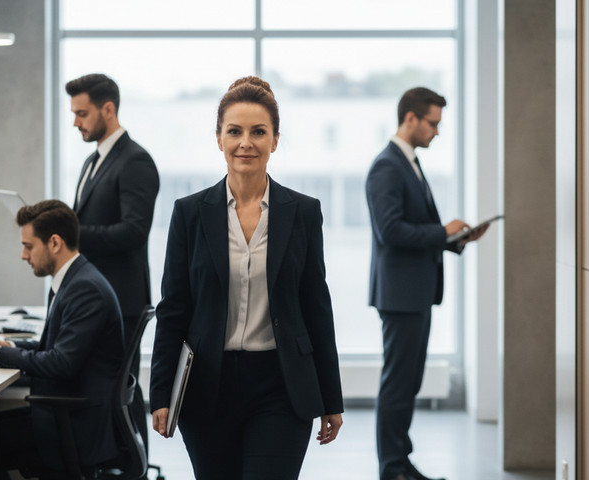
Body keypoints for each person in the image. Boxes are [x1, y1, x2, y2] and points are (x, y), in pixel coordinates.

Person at [149, 76, 344, 480]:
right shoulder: (189, 213)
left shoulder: (303, 212)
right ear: (218, 138)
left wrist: (330, 396)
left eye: (259, 132)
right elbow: (174, 309)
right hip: (207, 387)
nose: (246, 143)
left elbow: (316, 306)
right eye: (234, 131)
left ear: (275, 140)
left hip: (282, 385)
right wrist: (160, 395)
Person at [366, 87, 488, 480]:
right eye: (433, 123)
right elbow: (390, 231)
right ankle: (392, 469)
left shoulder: (409, 164)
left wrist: (453, 239)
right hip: (401, 296)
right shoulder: (388, 166)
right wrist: (441, 231)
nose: (437, 131)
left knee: (408, 381)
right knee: (398, 384)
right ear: (410, 119)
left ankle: (401, 463)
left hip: (414, 293)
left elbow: (409, 229)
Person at [0, 200, 125, 480]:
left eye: (29, 246)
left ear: (55, 243)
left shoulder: (85, 289)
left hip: (73, 426)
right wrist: (8, 347)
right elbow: (56, 348)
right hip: (66, 413)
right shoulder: (74, 279)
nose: (23, 255)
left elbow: (62, 363)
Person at [66, 73, 159, 444]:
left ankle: (133, 467)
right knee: (109, 393)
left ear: (108, 109)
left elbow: (134, 232)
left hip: (121, 302)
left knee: (121, 393)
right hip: (98, 298)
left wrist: (71, 236)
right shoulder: (94, 160)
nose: (76, 122)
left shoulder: (135, 161)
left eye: (82, 113)